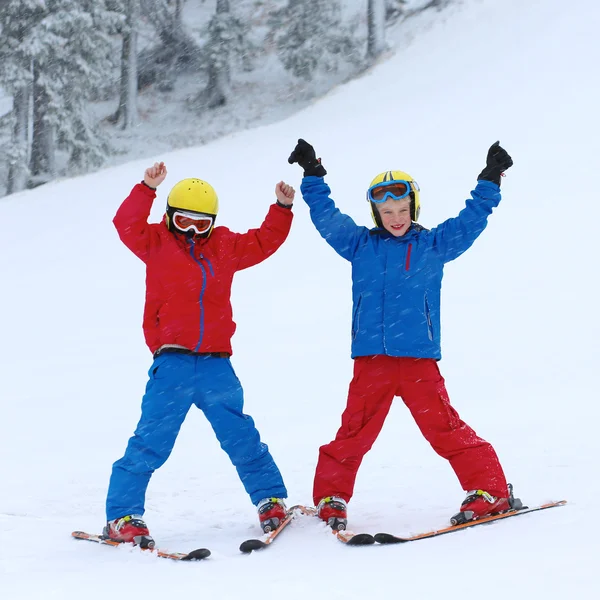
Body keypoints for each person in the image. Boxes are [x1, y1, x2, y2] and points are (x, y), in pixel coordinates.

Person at [288, 139, 522, 530]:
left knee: (443, 427)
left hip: (417, 359)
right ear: (376, 213)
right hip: (372, 361)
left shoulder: (433, 244)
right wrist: (313, 175)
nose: (395, 218)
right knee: (354, 431)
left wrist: (490, 180)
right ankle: (332, 497)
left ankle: (489, 489)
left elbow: (471, 220)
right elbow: (326, 216)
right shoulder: (360, 245)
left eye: (402, 209)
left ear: (413, 208)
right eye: (386, 211)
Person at [104, 161, 295, 546]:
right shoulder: (155, 242)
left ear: (212, 222)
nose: (192, 231)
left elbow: (262, 242)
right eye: (185, 222)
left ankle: (269, 500)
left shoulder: (223, 246)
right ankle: (122, 516)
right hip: (172, 361)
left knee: (241, 435)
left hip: (215, 364)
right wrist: (146, 188)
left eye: (201, 224)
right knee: (150, 440)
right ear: (170, 217)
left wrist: (281, 209)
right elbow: (125, 224)